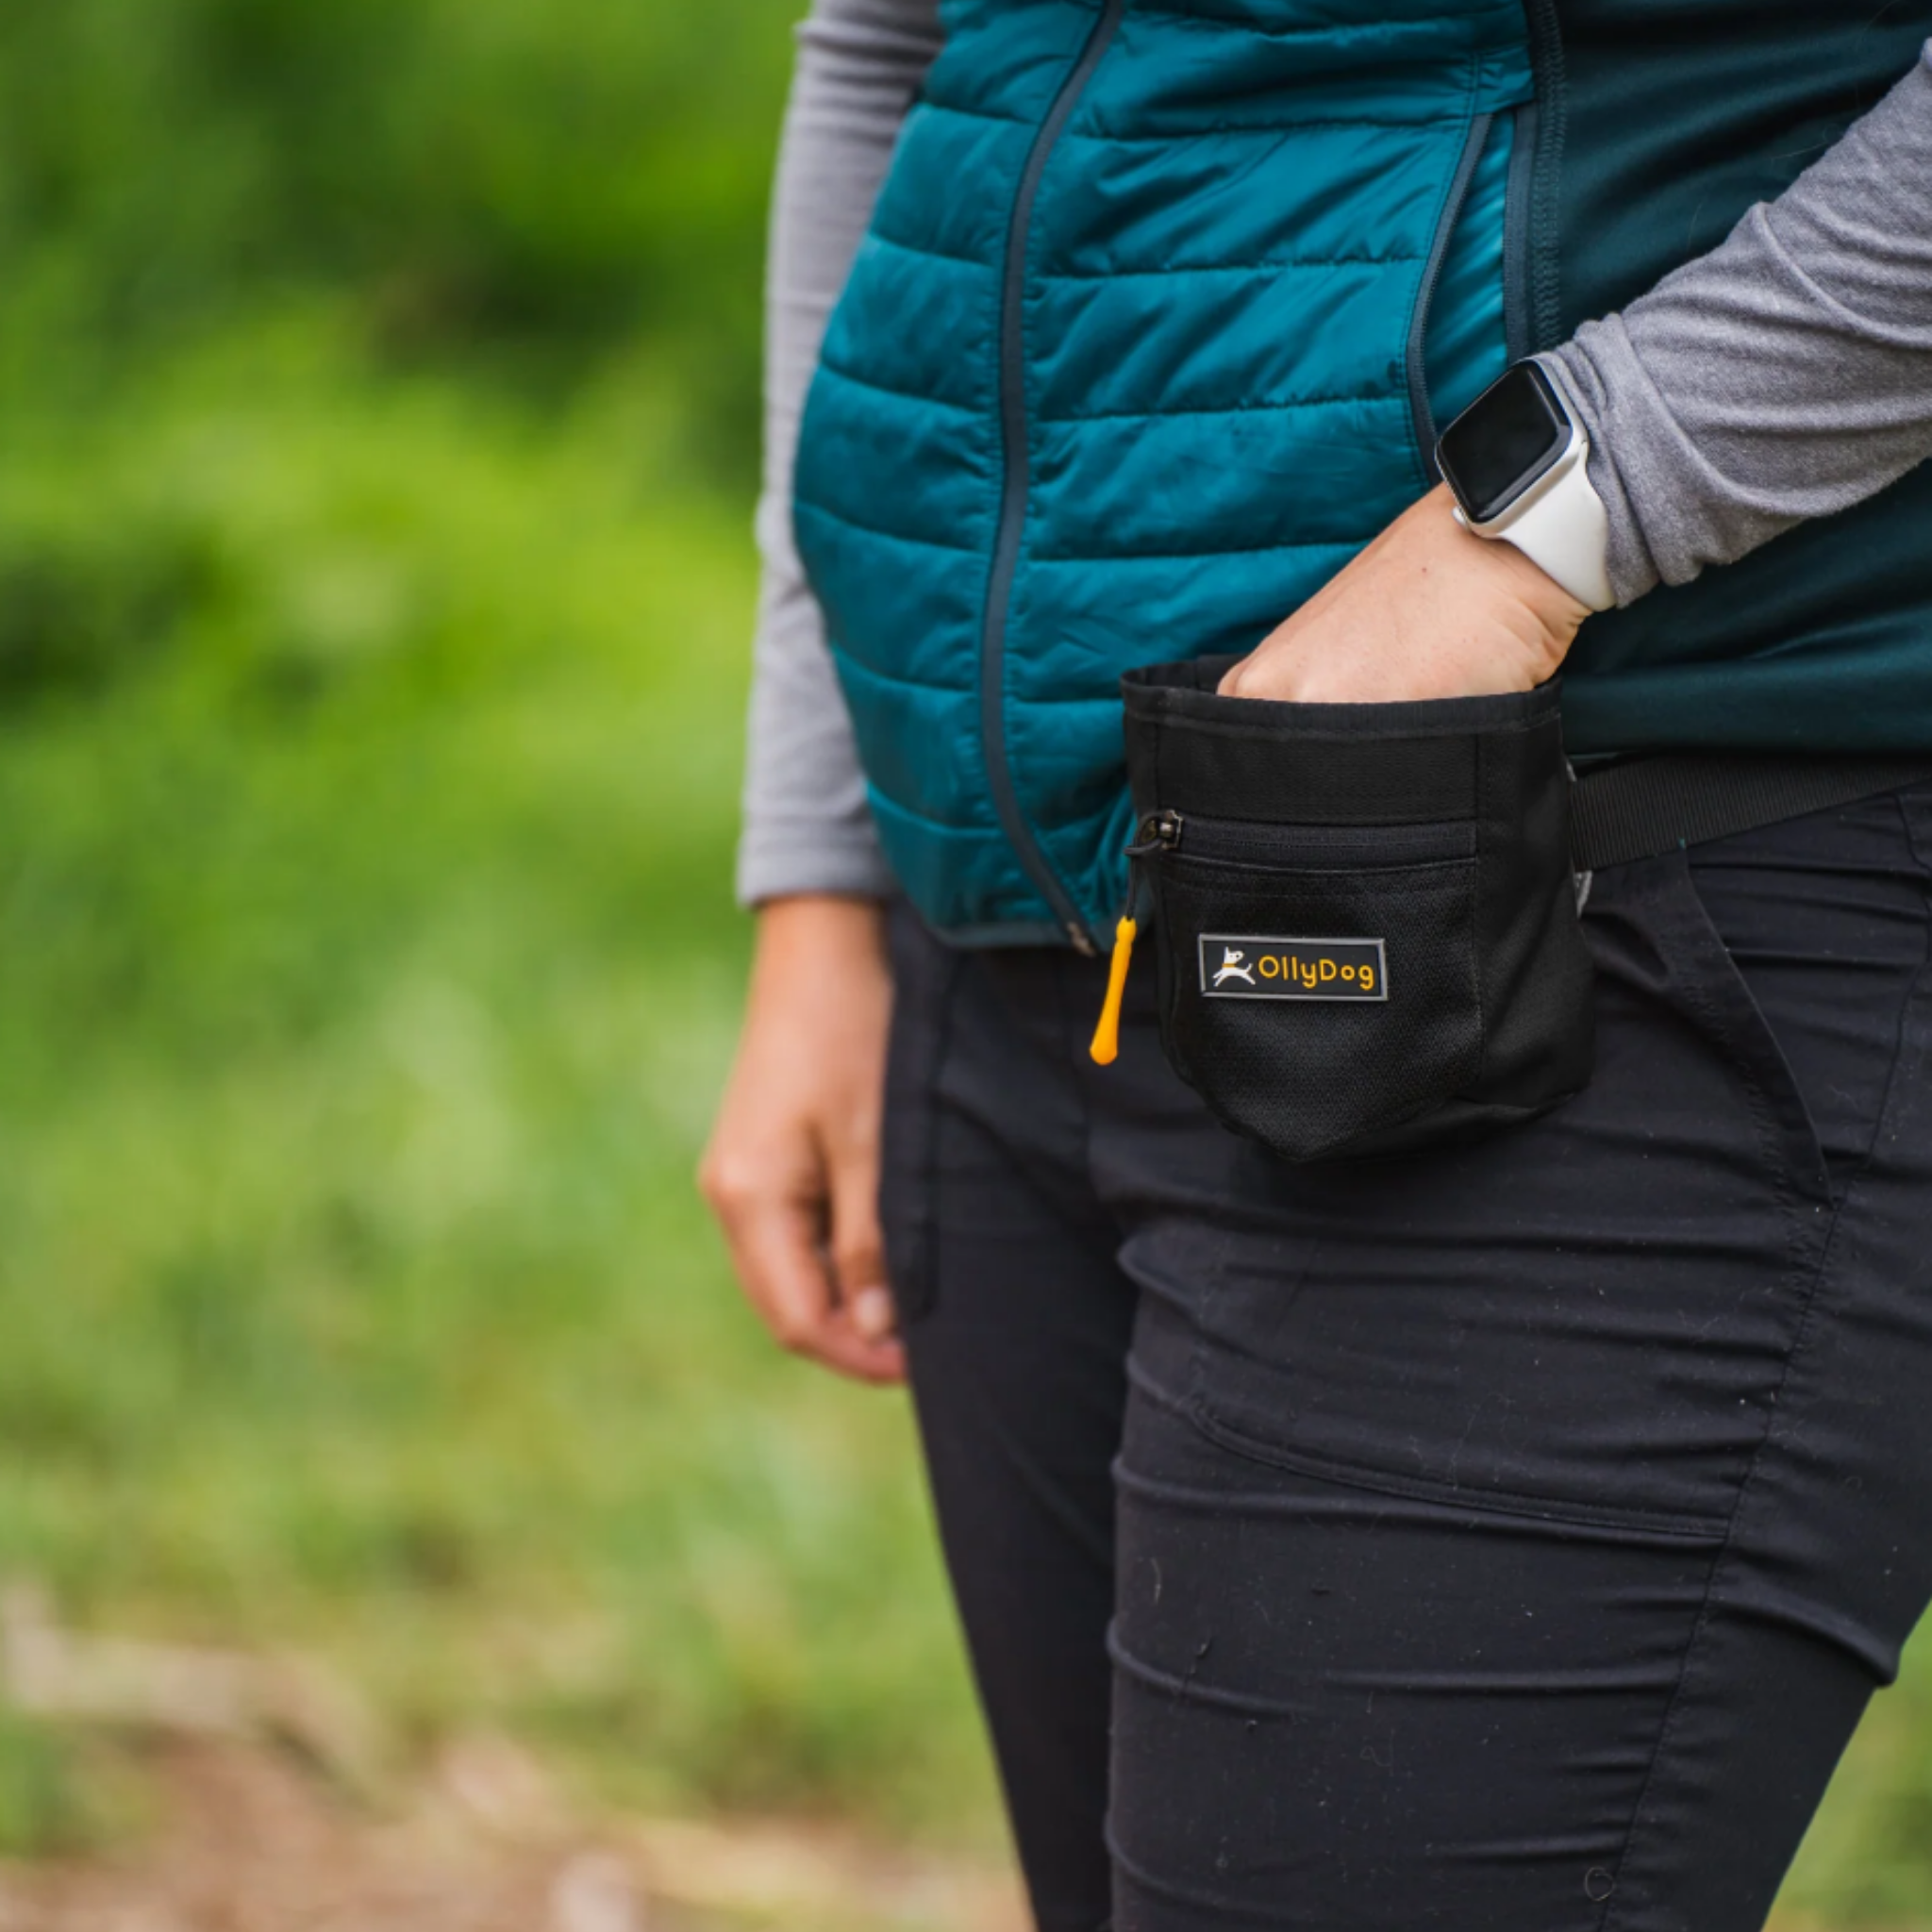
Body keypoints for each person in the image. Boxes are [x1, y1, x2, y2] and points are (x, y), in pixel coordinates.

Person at [701, 2, 1932, 1924]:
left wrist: (1545, 520)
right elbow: (893, 42)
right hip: (1020, 927)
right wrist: (823, 876)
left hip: (1603, 890)